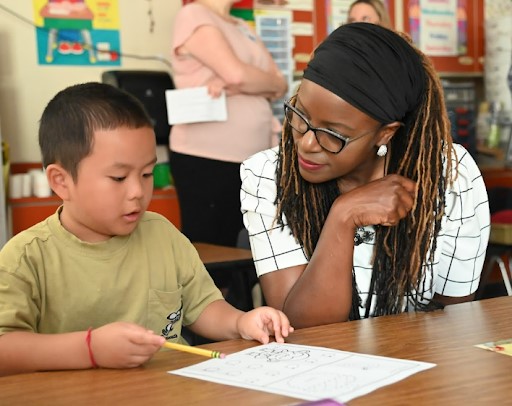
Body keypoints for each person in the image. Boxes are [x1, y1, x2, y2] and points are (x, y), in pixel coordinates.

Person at [0, 82, 293, 377]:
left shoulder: (162, 235)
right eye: (118, 177)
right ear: (61, 181)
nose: (137, 191)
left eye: (147, 173)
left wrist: (241, 322)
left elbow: (203, 306)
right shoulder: (26, 257)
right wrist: (90, 349)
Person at [240, 23, 490, 329]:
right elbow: (302, 328)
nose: (306, 142)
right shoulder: (269, 174)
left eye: (333, 134)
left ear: (385, 134)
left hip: (423, 363)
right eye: (300, 115)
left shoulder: (450, 175)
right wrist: (344, 216)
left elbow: (454, 319)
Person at [169, 0, 288, 248]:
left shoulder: (241, 25)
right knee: (215, 254)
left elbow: (280, 84)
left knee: (251, 251)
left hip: (254, 159)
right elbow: (237, 74)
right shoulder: (194, 15)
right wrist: (250, 81)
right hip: (207, 157)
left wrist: (246, 83)